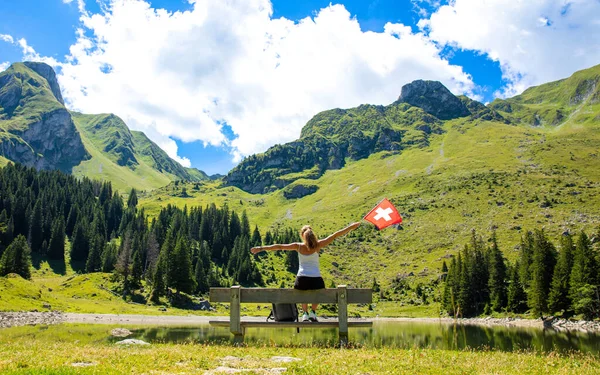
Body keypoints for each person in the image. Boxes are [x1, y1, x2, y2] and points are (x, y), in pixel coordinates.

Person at [250, 222, 361, 322]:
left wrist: (261, 248)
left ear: (303, 236)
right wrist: (351, 226)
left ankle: (305, 313)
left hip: (302, 277)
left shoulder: (298, 246)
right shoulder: (319, 245)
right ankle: (313, 312)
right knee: (319, 293)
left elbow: (279, 246)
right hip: (316, 277)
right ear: (313, 236)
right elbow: (336, 235)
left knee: (303, 294)